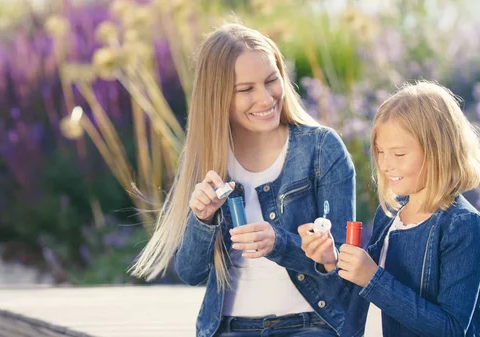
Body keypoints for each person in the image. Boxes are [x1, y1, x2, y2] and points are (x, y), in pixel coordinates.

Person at [129, 22, 356, 337]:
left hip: (312, 324)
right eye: (246, 89)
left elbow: (343, 264)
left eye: (271, 80)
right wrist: (203, 219)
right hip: (229, 327)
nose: (265, 99)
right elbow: (190, 272)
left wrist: (280, 243)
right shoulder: (207, 160)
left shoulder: (322, 149)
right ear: (218, 97)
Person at [299, 80, 480, 337]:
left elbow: (451, 329)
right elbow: (361, 302)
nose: (385, 164)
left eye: (399, 154)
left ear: (439, 151)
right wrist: (331, 262)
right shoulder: (391, 212)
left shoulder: (462, 226)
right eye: (380, 152)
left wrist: (373, 278)